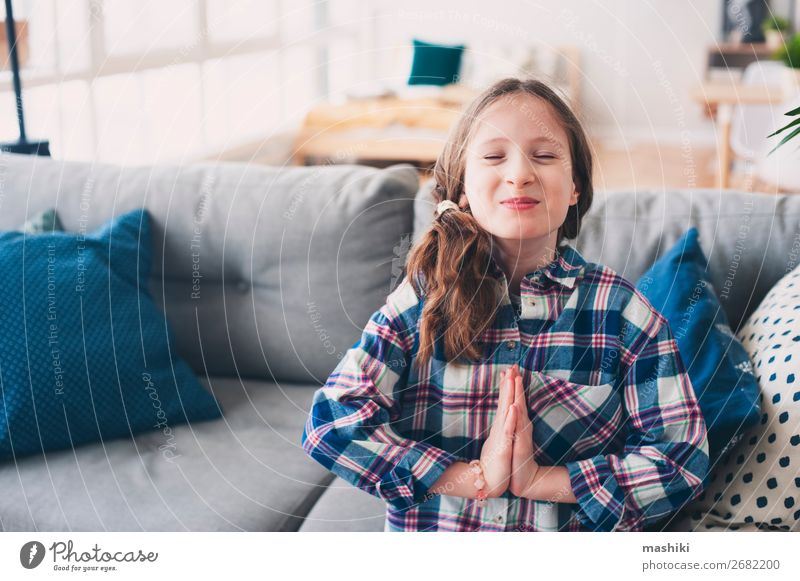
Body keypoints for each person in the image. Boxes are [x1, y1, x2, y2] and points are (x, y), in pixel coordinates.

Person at [301, 77, 708, 532]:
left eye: (545, 155)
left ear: (575, 186)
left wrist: (542, 481)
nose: (519, 173)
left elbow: (682, 457)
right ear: (462, 189)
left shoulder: (623, 313)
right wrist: (474, 478)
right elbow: (333, 422)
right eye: (494, 156)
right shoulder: (422, 300)